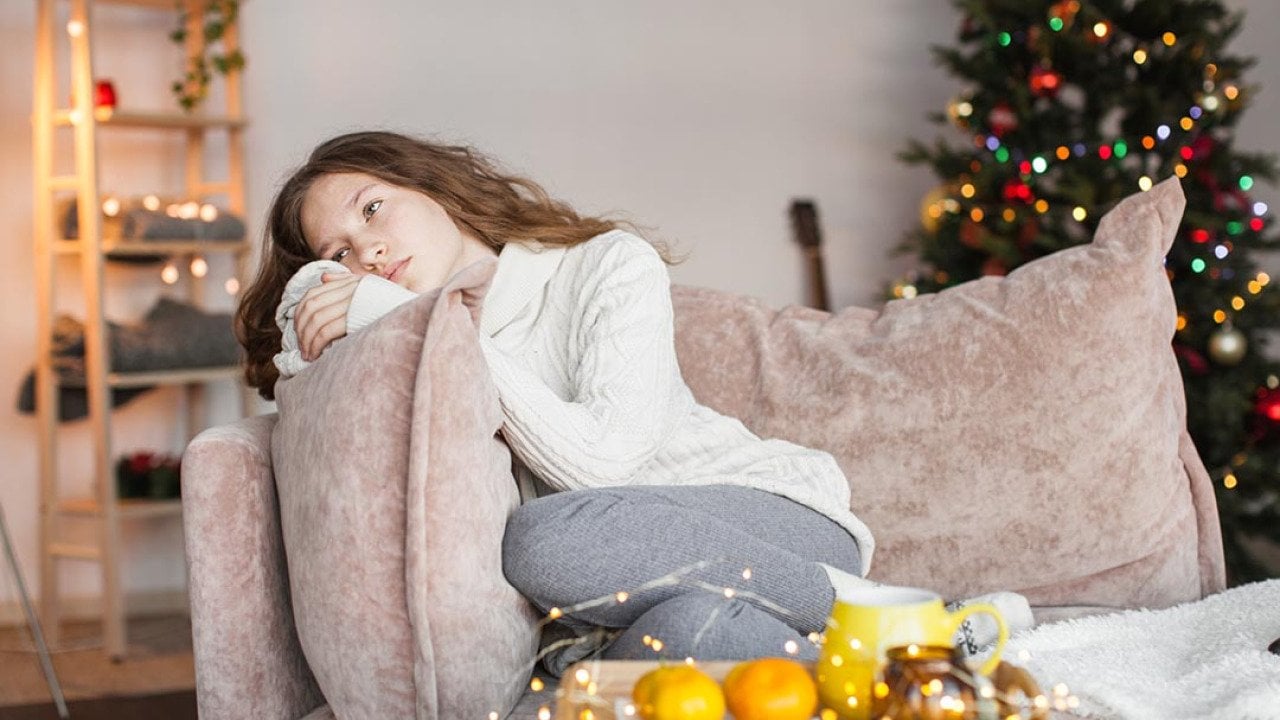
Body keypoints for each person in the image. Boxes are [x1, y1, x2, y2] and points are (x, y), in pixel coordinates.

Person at [235, 130, 1029, 676]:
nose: (365, 250)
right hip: (634, 587)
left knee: (541, 541)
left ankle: (884, 612)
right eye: (339, 253)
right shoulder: (399, 336)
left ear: (434, 187)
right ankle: (908, 669)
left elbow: (600, 466)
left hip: (774, 520)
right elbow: (294, 344)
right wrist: (353, 299)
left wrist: (424, 329)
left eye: (373, 208)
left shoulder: (606, 265)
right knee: (682, 643)